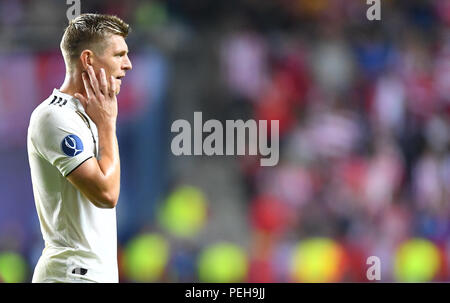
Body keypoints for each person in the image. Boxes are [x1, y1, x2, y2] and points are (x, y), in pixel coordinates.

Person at [27, 13, 132, 283]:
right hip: (70, 275)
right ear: (88, 60)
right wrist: (108, 125)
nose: (128, 65)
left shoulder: (92, 113)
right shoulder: (54, 117)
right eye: (119, 55)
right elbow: (106, 194)